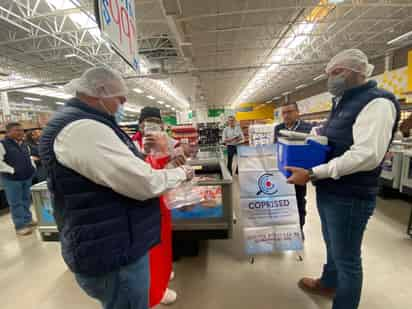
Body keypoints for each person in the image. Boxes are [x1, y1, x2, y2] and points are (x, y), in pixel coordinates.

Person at [39, 67, 193, 309]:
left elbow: (122, 171)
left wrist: (160, 158)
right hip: (114, 253)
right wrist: (181, 173)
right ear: (100, 92)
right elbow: (144, 183)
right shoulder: (82, 129)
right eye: (120, 98)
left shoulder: (88, 124)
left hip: (113, 241)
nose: (123, 103)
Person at [286, 49, 400, 309]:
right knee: (332, 244)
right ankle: (328, 282)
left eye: (335, 73)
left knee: (347, 258)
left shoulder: (377, 103)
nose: (330, 79)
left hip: (350, 196)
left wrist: (314, 172)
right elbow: (336, 136)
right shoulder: (344, 102)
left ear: (355, 72)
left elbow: (367, 155)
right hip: (331, 190)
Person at [132, 106, 185, 306]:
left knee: (164, 240)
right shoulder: (131, 145)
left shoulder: (170, 142)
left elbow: (178, 164)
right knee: (150, 246)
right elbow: (137, 174)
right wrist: (148, 155)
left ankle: (162, 275)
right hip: (141, 203)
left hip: (163, 201)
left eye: (156, 121)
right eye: (148, 121)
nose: (152, 126)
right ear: (140, 124)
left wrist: (177, 160)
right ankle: (155, 288)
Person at [274, 102, 313, 238]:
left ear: (297, 112)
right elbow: (276, 147)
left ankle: (299, 228)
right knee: (282, 201)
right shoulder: (278, 128)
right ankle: (284, 228)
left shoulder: (307, 128)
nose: (286, 115)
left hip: (299, 172)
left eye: (289, 112)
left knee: (299, 200)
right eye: (283, 113)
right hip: (282, 172)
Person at [0, 122, 36, 236]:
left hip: (26, 176)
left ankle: (27, 220)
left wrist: (32, 167)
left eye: (22, 130)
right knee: (15, 203)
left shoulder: (24, 144)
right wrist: (12, 170)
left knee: (26, 200)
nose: (21, 132)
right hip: (11, 179)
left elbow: (29, 157)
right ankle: (20, 226)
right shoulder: (2, 144)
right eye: (17, 130)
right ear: (8, 132)